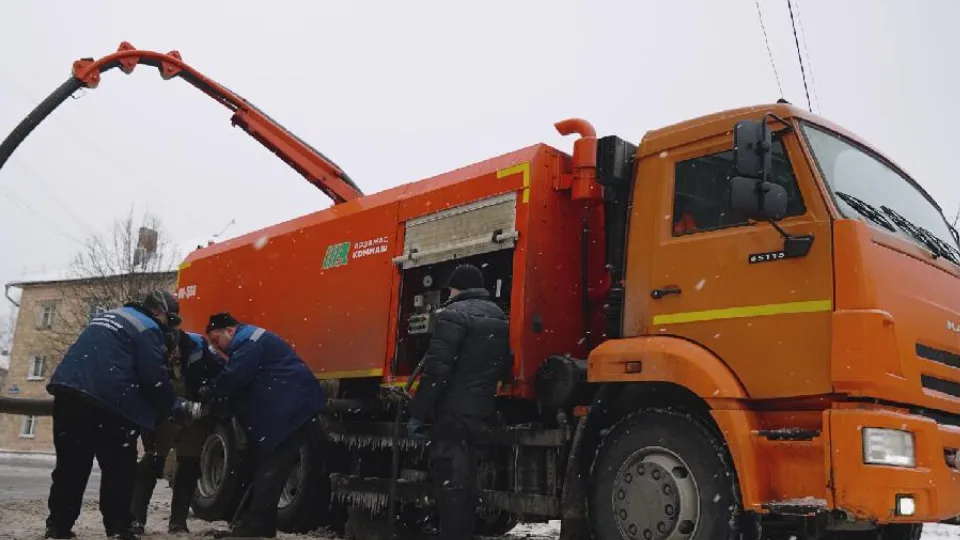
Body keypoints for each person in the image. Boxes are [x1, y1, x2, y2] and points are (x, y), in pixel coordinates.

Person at [44, 290, 190, 540]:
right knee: (119, 467)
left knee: (71, 466)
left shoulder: (109, 317)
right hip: (108, 402)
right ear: (159, 312)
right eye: (171, 320)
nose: (170, 327)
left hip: (68, 392)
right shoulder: (148, 327)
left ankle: (58, 526)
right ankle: (119, 528)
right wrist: (175, 404)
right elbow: (153, 376)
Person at [406, 263, 511, 540]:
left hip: (452, 414)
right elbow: (501, 365)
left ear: (458, 287)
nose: (448, 292)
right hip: (481, 413)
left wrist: (418, 412)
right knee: (467, 484)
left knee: (451, 484)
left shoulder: (453, 314)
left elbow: (438, 370)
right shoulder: (499, 316)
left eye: (451, 287)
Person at [200, 312, 325, 538]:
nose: (218, 348)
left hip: (293, 412)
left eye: (217, 341)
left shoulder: (249, 342)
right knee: (265, 467)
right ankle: (259, 524)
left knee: (270, 470)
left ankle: (257, 527)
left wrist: (208, 391)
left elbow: (234, 378)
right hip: (292, 410)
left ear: (230, 330)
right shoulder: (250, 340)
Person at [130, 328, 224, 535]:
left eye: (174, 352)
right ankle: (136, 519)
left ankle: (178, 522)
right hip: (164, 415)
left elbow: (220, 371)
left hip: (194, 414)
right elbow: (145, 385)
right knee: (152, 463)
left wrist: (208, 393)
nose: (172, 356)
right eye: (168, 353)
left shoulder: (198, 345)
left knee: (189, 465)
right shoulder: (151, 350)